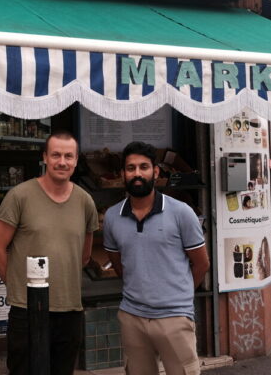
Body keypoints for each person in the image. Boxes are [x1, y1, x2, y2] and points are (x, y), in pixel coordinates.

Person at [0, 130, 98, 375]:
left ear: (76, 160)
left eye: (68, 156)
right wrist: (19, 287)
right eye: (56, 155)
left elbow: (84, 256)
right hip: (28, 310)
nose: (62, 162)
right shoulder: (19, 196)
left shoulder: (85, 201)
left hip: (69, 310)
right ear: (45, 157)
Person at [104, 141, 210, 375]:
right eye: (131, 168)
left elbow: (202, 264)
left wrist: (179, 296)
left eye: (144, 167)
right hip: (132, 317)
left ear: (156, 172)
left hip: (174, 318)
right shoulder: (112, 216)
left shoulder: (181, 212)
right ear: (122, 174)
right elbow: (119, 264)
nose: (137, 173)